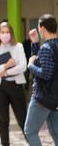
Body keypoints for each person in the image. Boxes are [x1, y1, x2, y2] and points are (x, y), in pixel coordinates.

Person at [0, 22, 27, 146]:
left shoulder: (18, 47)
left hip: (16, 85)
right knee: (3, 121)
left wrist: (5, 72)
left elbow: (23, 66)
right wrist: (6, 65)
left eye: (8, 32)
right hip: (0, 88)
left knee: (23, 119)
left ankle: (32, 142)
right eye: (3, 32)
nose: (5, 35)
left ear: (11, 34)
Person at [24, 14, 58, 146]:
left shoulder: (46, 48)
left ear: (42, 28)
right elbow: (44, 62)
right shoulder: (51, 47)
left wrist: (30, 66)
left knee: (30, 131)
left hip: (42, 98)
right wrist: (35, 43)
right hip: (55, 98)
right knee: (55, 132)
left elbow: (45, 73)